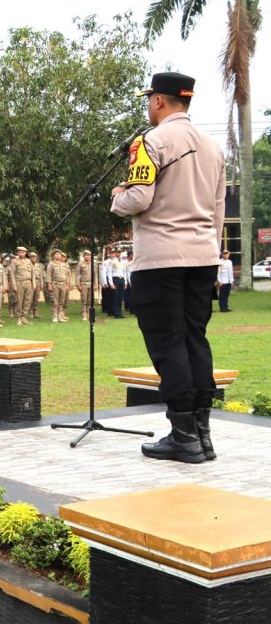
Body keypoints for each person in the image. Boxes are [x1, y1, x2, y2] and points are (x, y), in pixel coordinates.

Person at [111, 71, 225, 464]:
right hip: (203, 256)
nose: (149, 106)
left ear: (158, 100)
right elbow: (217, 209)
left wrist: (117, 197)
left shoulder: (150, 142)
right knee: (195, 339)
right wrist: (208, 247)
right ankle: (202, 434)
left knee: (168, 342)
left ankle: (183, 437)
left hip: (161, 257)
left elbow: (139, 198)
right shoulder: (213, 147)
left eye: (149, 99)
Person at [10, 247, 35, 326]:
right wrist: (14, 285)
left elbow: (33, 273)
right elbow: (12, 274)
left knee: (27, 301)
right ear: (17, 253)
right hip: (19, 282)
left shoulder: (28, 261)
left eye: (23, 252)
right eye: (20, 252)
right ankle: (19, 318)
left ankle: (24, 317)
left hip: (28, 282)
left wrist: (33, 283)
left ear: (25, 253)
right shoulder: (14, 262)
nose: (21, 253)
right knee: (19, 301)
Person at [47, 251, 72, 322]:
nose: (58, 255)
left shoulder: (64, 264)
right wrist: (49, 284)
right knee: (55, 301)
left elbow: (66, 275)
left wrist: (67, 284)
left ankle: (60, 316)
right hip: (55, 284)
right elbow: (49, 274)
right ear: (54, 256)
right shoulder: (51, 264)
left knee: (61, 301)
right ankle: (55, 316)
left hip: (63, 284)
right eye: (56, 254)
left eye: (59, 254)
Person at [102, 248, 127, 318]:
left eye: (119, 252)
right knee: (115, 297)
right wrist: (111, 283)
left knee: (120, 297)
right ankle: (115, 313)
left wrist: (125, 282)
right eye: (117, 252)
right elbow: (109, 272)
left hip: (121, 279)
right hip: (115, 279)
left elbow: (124, 272)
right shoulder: (111, 262)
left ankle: (120, 313)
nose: (118, 254)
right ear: (115, 254)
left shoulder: (123, 262)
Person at [76, 251, 97, 321]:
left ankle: (90, 315)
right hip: (83, 284)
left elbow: (95, 275)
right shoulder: (80, 264)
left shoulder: (93, 264)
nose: (87, 256)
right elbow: (77, 275)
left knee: (90, 301)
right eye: (86, 255)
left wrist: (96, 284)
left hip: (91, 284)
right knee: (84, 300)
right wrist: (78, 284)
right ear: (83, 256)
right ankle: (84, 315)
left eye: (89, 255)